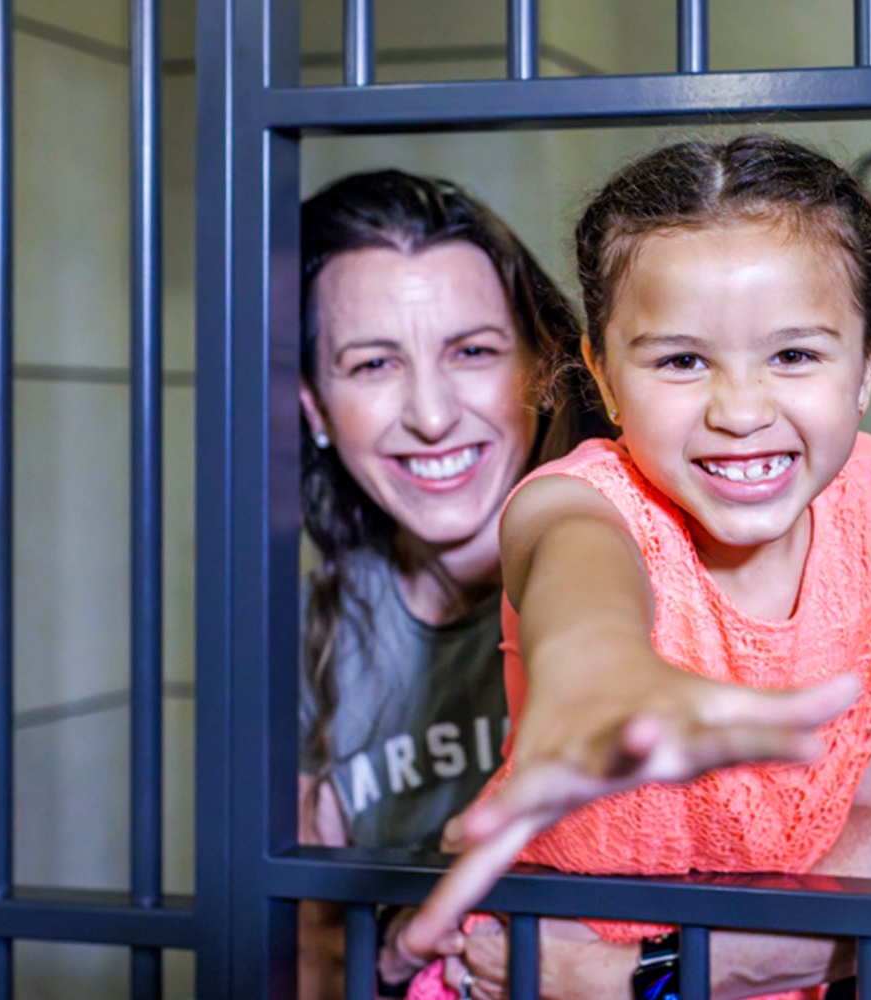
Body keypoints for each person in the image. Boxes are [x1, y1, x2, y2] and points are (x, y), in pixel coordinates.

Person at [400, 134, 871, 999]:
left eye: (795, 354)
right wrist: (597, 668)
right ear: (604, 376)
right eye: (682, 360)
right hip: (529, 969)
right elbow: (579, 583)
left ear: (867, 367)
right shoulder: (581, 502)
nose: (740, 410)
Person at [294, 168, 604, 998]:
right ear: (315, 406)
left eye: (472, 352)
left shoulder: (669, 566)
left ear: (544, 365)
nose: (430, 415)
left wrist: (625, 975)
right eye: (372, 364)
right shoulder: (299, 638)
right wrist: (399, 956)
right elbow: (305, 960)